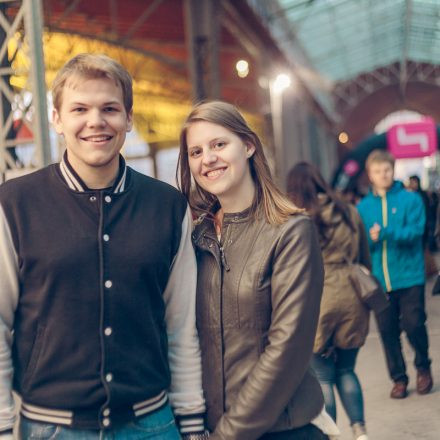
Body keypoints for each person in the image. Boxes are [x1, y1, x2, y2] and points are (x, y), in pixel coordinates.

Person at [0, 54, 207, 439]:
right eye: (80, 109)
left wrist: (192, 419)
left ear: (128, 119)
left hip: (153, 424)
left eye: (109, 108)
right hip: (51, 428)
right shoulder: (13, 205)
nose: (96, 121)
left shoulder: (168, 207)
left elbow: (181, 326)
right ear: (57, 120)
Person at [177, 100, 339, 440]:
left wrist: (228, 434)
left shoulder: (290, 231)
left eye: (219, 144)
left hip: (283, 428)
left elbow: (288, 348)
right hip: (207, 428)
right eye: (196, 151)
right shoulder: (195, 237)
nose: (207, 159)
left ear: (248, 146)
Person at [287, 162, 371, 440]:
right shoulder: (348, 209)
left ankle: (331, 436)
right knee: (347, 369)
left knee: (323, 377)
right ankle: (360, 432)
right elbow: (364, 256)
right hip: (351, 296)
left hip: (318, 299)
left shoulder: (297, 218)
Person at [357, 149, 433, 399]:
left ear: (393, 170)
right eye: (378, 171)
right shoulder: (363, 207)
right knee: (388, 332)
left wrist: (388, 233)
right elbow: (359, 242)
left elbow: (417, 232)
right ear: (370, 175)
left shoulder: (411, 200)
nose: (383, 175)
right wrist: (370, 239)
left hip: (410, 275)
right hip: (379, 280)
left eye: (387, 170)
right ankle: (399, 378)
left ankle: (423, 366)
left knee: (414, 324)